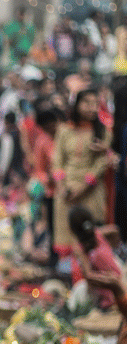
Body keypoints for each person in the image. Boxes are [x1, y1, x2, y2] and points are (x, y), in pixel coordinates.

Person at [52, 88, 112, 250]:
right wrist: (61, 187)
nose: (92, 108)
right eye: (87, 103)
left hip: (90, 192)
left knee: (89, 241)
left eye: (95, 104)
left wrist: (83, 187)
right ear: (77, 104)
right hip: (66, 191)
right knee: (67, 237)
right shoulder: (64, 130)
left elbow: (101, 163)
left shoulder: (102, 131)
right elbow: (57, 160)